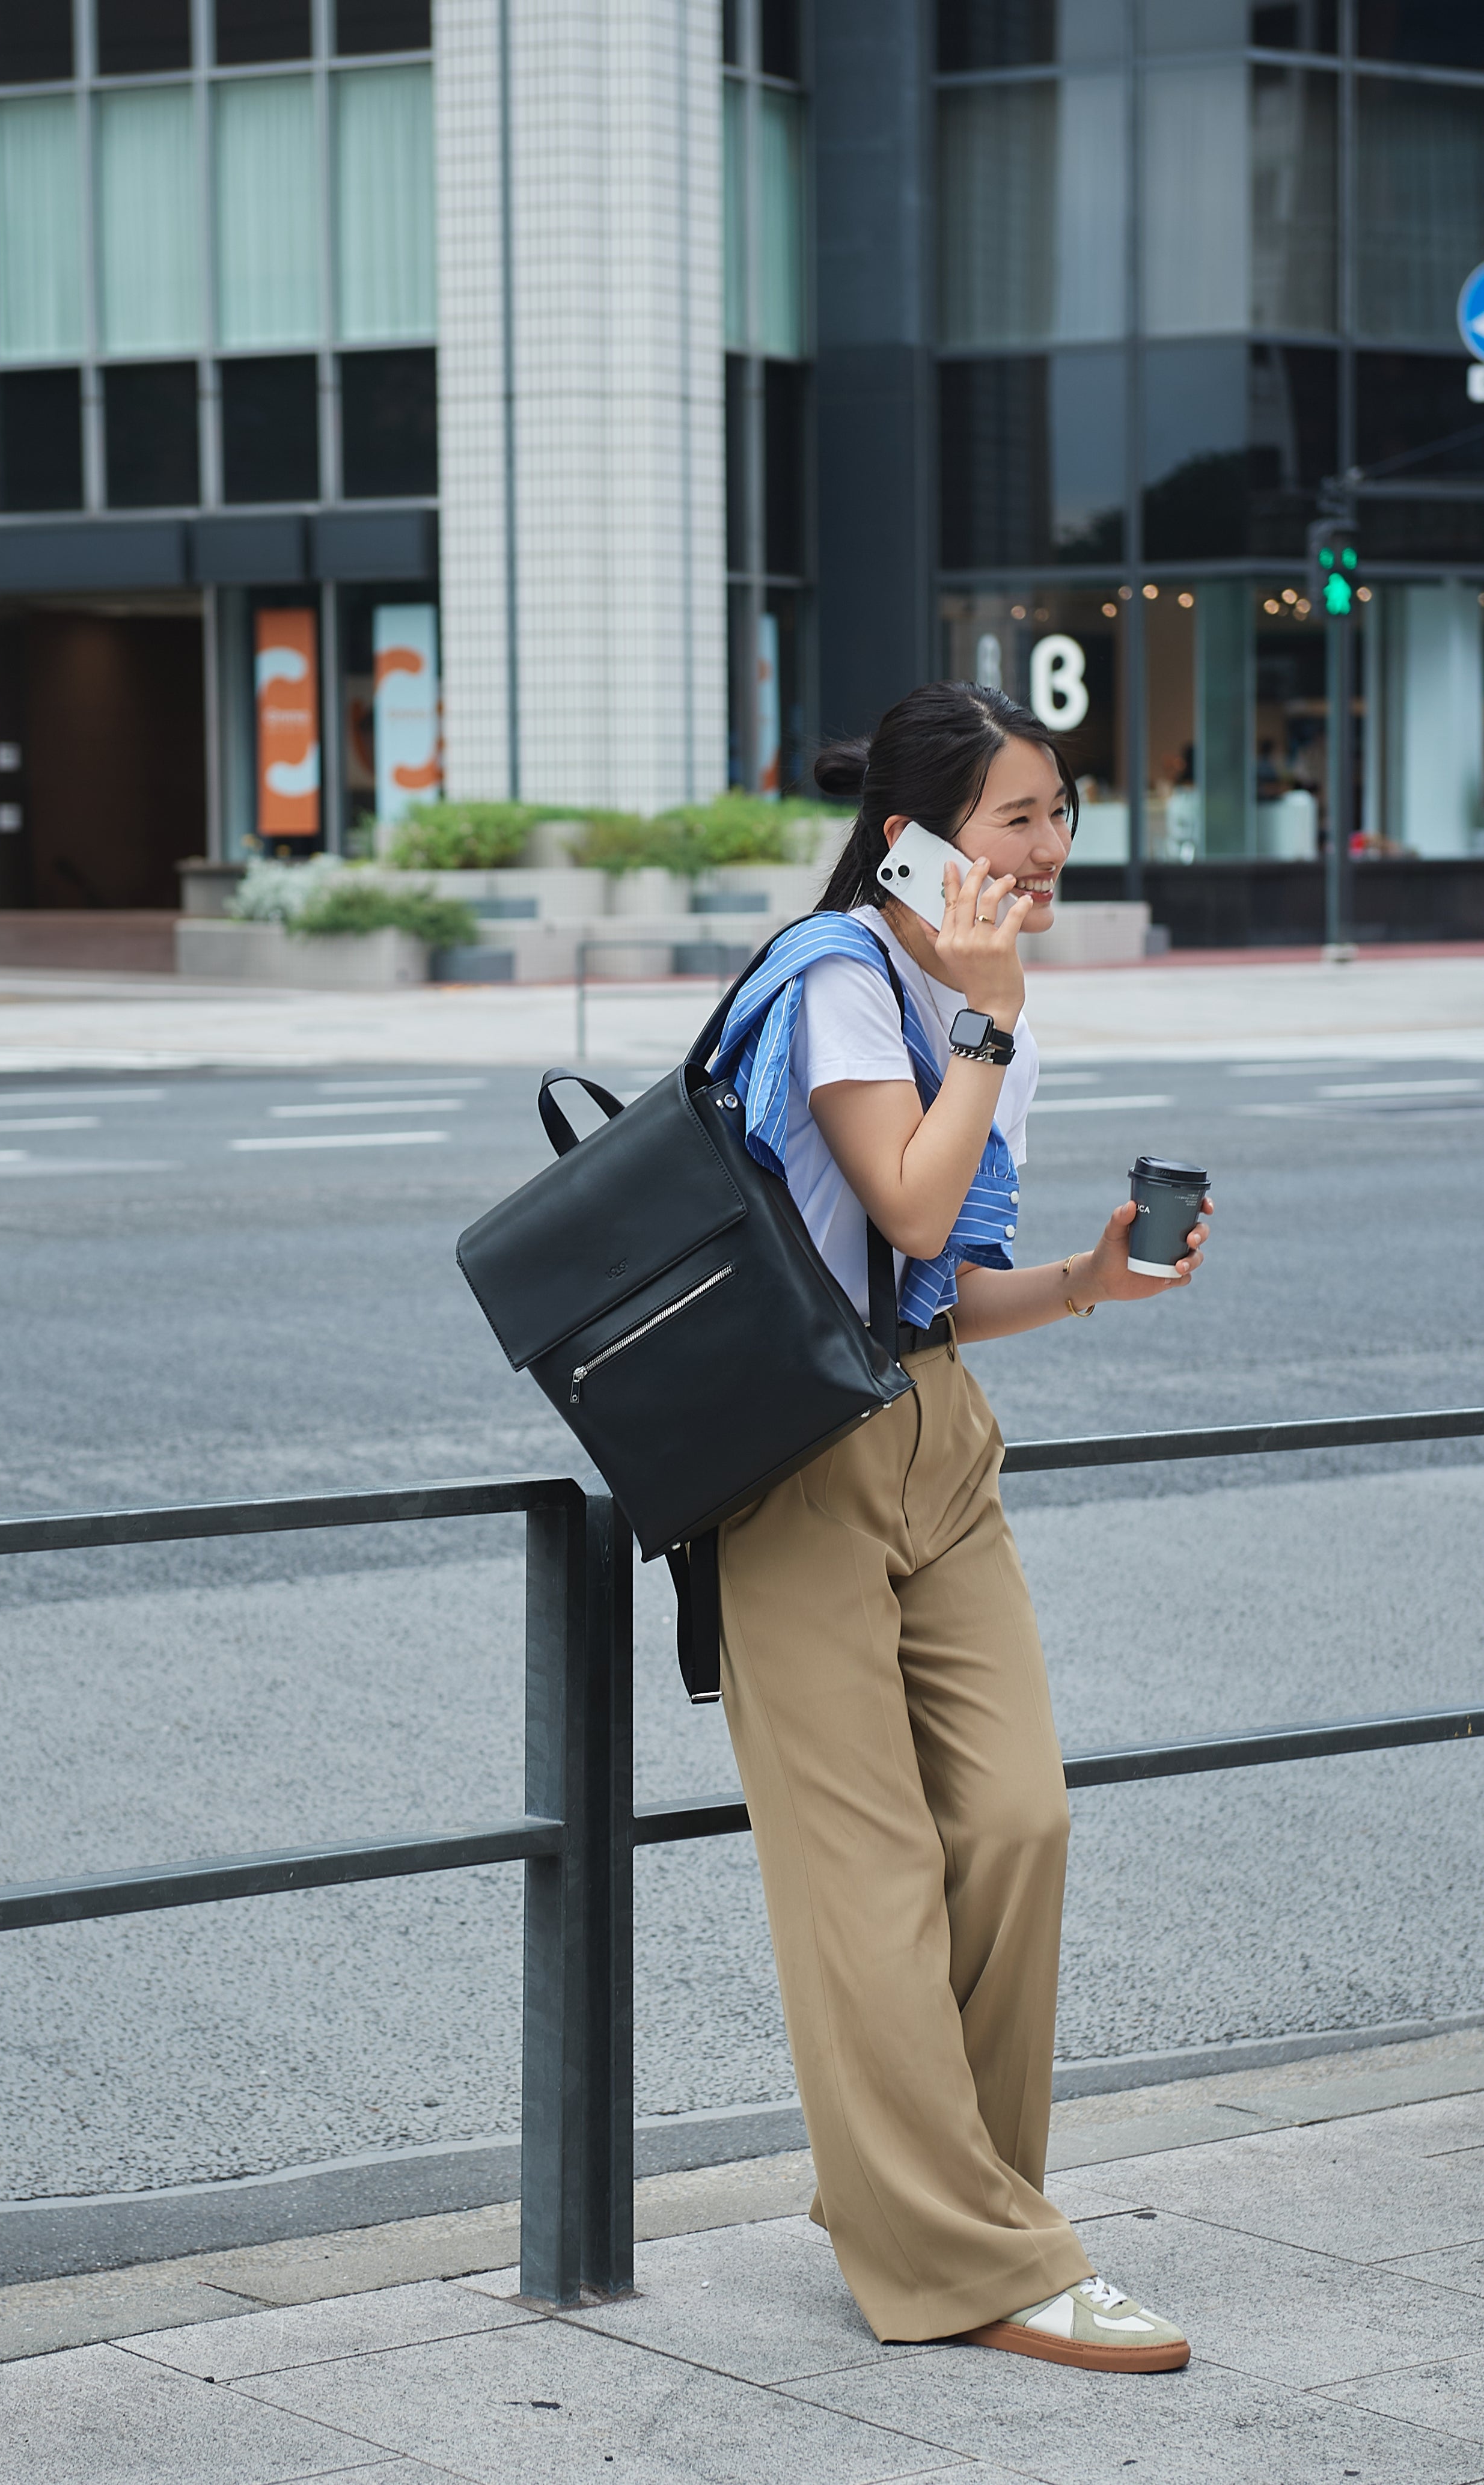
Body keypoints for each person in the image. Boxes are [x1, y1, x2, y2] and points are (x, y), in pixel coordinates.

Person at [707, 681, 1211, 2371]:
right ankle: (976, 2260)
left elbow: (939, 1281)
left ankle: (945, 2200)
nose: (1049, 848)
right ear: (915, 838)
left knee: (1014, 1823)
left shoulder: (988, 1004)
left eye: (1060, 812)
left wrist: (1083, 1280)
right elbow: (902, 1195)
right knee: (863, 1876)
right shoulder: (841, 976)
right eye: (1018, 818)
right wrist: (983, 1026)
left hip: (933, 1433)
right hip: (789, 1460)